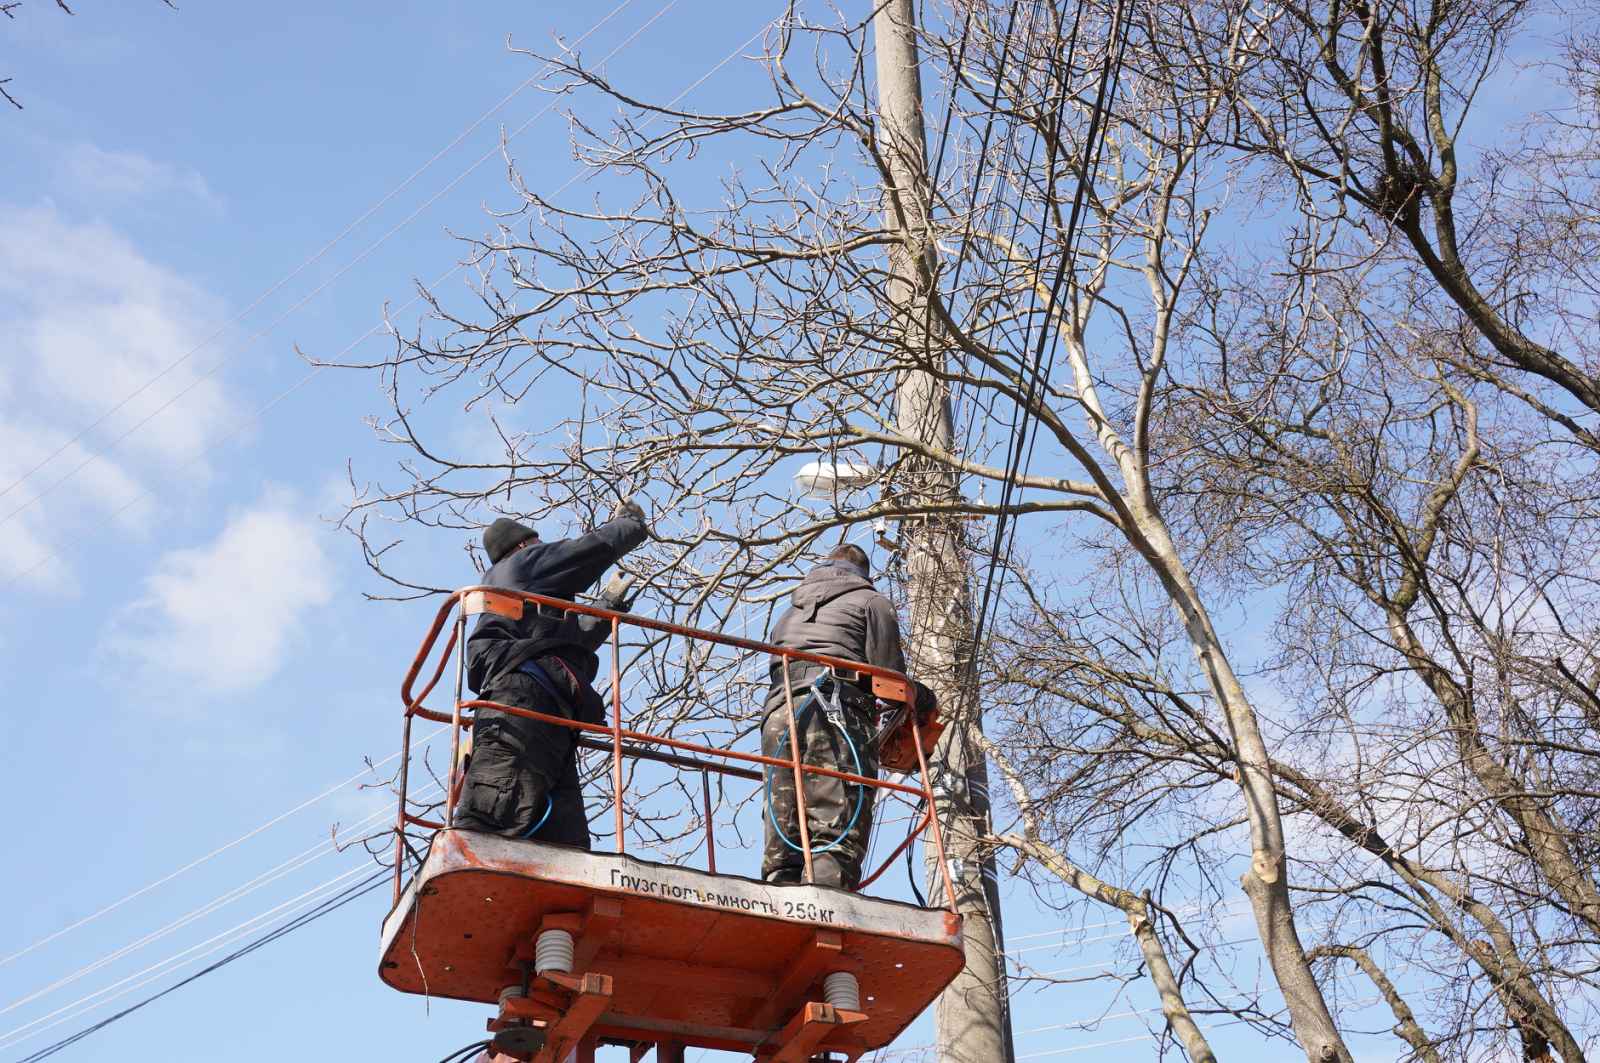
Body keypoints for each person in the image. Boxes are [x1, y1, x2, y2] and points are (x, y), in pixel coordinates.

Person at [454, 500, 648, 849]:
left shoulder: (524, 600)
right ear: (525, 545)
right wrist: (628, 524)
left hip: (545, 711)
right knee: (488, 827)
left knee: (565, 847)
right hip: (521, 699)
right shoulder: (522, 565)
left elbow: (565, 643)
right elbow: (582, 553)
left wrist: (608, 606)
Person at [762, 543, 907, 888]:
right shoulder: (871, 602)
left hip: (779, 712)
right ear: (864, 573)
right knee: (836, 814)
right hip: (835, 711)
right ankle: (828, 898)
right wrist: (920, 698)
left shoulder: (789, 611)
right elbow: (891, 679)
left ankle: (779, 888)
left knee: (785, 811)